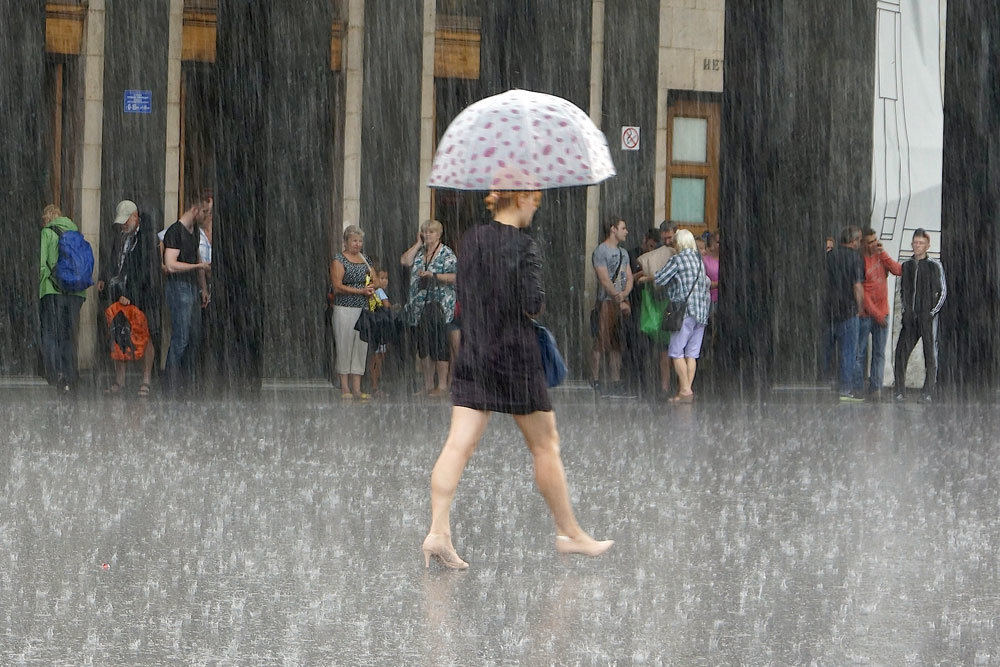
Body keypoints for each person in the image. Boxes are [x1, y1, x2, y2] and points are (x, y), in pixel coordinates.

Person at [422, 189, 614, 569]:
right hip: (514, 356)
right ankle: (569, 533)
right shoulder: (525, 246)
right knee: (545, 445)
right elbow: (531, 303)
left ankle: (438, 531)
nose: (536, 206)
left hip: (475, 352)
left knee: (458, 444)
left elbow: (465, 290)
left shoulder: (472, 239)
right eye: (534, 200)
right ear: (520, 199)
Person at [97, 200, 160, 397]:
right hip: (118, 291)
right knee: (118, 334)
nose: (123, 225)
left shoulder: (147, 239)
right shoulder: (120, 237)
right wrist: (104, 278)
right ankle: (120, 380)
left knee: (145, 335)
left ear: (135, 217)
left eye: (126, 220)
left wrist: (131, 293)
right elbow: (113, 261)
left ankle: (146, 380)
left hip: (141, 294)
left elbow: (146, 270)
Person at [400, 219, 458, 397]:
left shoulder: (447, 253)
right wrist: (418, 244)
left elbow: (456, 276)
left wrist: (434, 276)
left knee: (439, 345)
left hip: (439, 304)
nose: (427, 235)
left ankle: (441, 386)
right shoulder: (419, 253)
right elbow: (404, 261)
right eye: (424, 232)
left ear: (439, 234)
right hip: (419, 306)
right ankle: (427, 385)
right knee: (424, 346)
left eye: (431, 232)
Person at [162, 191, 212, 394]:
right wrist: (197, 267)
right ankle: (170, 383)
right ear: (195, 209)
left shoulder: (195, 231)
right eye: (205, 212)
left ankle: (184, 382)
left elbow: (197, 257)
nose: (207, 216)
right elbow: (170, 264)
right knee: (181, 337)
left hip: (191, 288)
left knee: (192, 336)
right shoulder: (175, 231)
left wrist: (203, 288)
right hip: (179, 287)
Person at [654, 229, 710, 402]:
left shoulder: (678, 259)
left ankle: (685, 391)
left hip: (684, 312)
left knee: (676, 352)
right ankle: (685, 390)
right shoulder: (699, 261)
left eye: (675, 243)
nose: (674, 246)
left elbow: (660, 279)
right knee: (691, 354)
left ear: (680, 243)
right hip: (701, 314)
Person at [38, 205, 88, 394]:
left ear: (46, 218)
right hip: (75, 293)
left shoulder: (47, 232)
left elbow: (42, 265)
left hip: (53, 291)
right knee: (69, 334)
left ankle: (55, 373)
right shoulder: (76, 232)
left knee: (51, 333)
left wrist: (44, 286)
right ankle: (71, 375)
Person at [893, 229, 946, 402]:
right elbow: (902, 290)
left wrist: (931, 312)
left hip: (927, 317)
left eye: (921, 243)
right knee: (901, 353)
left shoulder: (934, 265)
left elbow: (942, 291)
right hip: (910, 318)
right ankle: (899, 391)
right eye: (915, 242)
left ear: (927, 245)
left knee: (930, 354)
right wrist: (906, 310)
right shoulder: (907, 265)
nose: (917, 246)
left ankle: (928, 392)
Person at [855, 228, 902, 399]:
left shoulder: (881, 256)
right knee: (859, 353)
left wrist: (883, 254)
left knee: (879, 353)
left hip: (883, 312)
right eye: (870, 242)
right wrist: (876, 314)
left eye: (875, 240)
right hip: (867, 314)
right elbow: (863, 293)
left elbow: (898, 270)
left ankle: (876, 387)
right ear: (863, 244)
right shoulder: (860, 260)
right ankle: (858, 387)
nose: (874, 244)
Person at [330, 225, 376, 399]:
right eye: (354, 241)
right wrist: (360, 291)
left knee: (360, 347)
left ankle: (357, 388)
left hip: (363, 309)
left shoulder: (365, 260)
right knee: (344, 346)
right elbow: (337, 286)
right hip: (345, 309)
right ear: (346, 241)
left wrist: (372, 286)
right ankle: (345, 387)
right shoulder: (339, 260)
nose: (357, 244)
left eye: (360, 241)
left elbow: (376, 279)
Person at [590, 215, 633, 395]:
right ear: (613, 229)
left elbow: (629, 276)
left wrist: (624, 296)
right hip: (607, 303)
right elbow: (604, 279)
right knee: (601, 341)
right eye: (623, 228)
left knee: (617, 343)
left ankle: (615, 380)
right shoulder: (601, 251)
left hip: (620, 302)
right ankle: (595, 378)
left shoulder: (624, 253)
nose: (626, 232)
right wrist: (617, 297)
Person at [825, 225, 865, 402]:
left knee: (828, 350)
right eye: (860, 240)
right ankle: (846, 389)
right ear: (854, 241)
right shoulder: (856, 259)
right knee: (849, 352)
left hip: (829, 309)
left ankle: (825, 384)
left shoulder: (831, 256)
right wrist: (860, 307)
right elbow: (857, 286)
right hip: (848, 310)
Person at [636, 229, 676, 397]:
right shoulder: (673, 255)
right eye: (664, 238)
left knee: (669, 350)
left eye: (669, 237)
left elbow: (660, 276)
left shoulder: (677, 257)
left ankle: (673, 386)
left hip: (671, 306)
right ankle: (669, 387)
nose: (666, 241)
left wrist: (647, 278)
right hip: (667, 305)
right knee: (666, 350)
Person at [367, 268, 392, 396]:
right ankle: (375, 385)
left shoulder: (371, 291)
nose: (385, 281)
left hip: (374, 327)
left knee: (375, 359)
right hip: (380, 329)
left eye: (386, 278)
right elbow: (386, 305)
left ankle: (374, 385)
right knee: (377, 360)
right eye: (381, 278)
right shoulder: (380, 291)